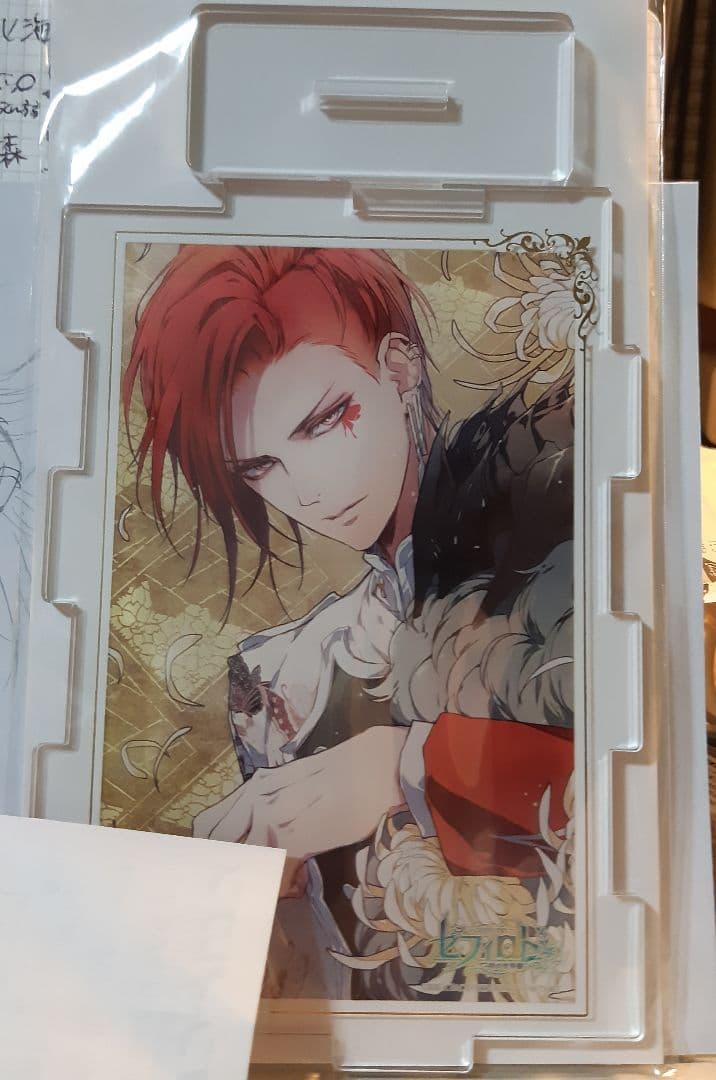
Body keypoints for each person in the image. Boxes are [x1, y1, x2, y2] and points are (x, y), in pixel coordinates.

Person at [124, 244, 576, 1000]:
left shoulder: (564, 519)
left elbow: (635, 797)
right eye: (258, 468)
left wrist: (408, 766)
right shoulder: (279, 679)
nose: (306, 491)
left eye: (325, 421)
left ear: (398, 370)